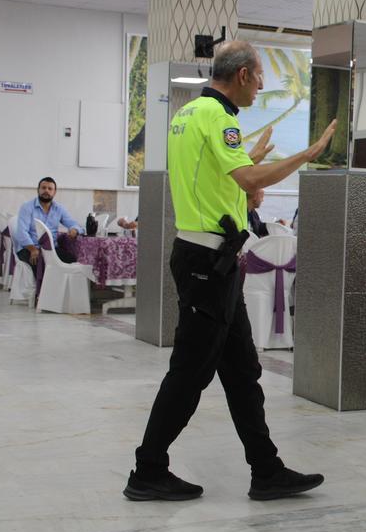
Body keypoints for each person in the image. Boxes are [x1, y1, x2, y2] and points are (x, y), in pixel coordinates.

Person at [124, 41, 337, 502]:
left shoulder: (189, 114)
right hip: (207, 263)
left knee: (243, 371)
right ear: (241, 74)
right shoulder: (219, 119)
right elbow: (248, 183)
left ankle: (267, 470)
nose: (262, 86)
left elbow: (214, 179)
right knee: (189, 372)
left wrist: (251, 162)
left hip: (213, 260)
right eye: (260, 76)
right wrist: (309, 154)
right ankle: (147, 470)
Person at [14, 177, 83, 265]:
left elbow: (74, 224)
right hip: (29, 248)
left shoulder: (59, 209)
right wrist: (32, 249)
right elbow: (21, 233)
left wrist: (75, 229)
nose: (46, 191)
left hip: (51, 250)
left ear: (54, 192)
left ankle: (57, 279)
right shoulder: (27, 207)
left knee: (73, 261)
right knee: (42, 264)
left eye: (50, 189)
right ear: (38, 190)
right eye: (43, 188)